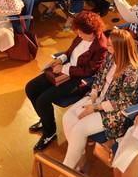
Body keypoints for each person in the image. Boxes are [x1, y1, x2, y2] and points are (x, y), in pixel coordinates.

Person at [50, 29, 138, 177]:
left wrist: (95, 107)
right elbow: (99, 79)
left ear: (121, 48)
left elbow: (123, 102)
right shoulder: (110, 57)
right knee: (68, 118)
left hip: (114, 112)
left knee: (79, 129)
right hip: (98, 99)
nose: (108, 49)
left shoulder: (133, 70)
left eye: (111, 47)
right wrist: (92, 97)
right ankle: (79, 159)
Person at [25, 11, 108, 151]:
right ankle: (45, 120)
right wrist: (60, 59)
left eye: (81, 33)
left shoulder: (101, 47)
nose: (79, 35)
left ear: (92, 32)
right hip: (65, 69)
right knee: (31, 88)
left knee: (43, 100)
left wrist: (64, 69)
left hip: (79, 80)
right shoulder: (81, 36)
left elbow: (89, 71)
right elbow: (70, 52)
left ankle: (49, 132)